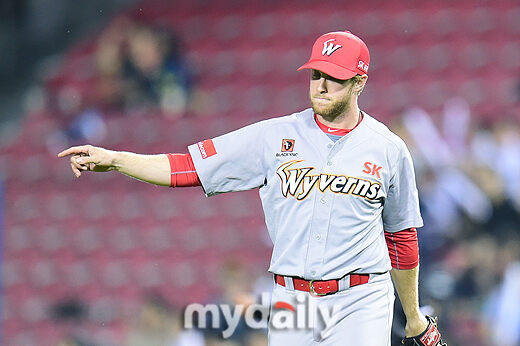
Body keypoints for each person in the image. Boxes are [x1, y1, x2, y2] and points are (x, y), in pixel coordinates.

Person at [58, 31, 445, 345]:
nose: (321, 85)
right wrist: (117, 159)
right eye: (315, 74)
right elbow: (188, 167)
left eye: (334, 77)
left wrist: (412, 317)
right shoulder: (275, 136)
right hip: (293, 300)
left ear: (360, 81)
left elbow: (401, 237)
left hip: (362, 298)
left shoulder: (388, 149)